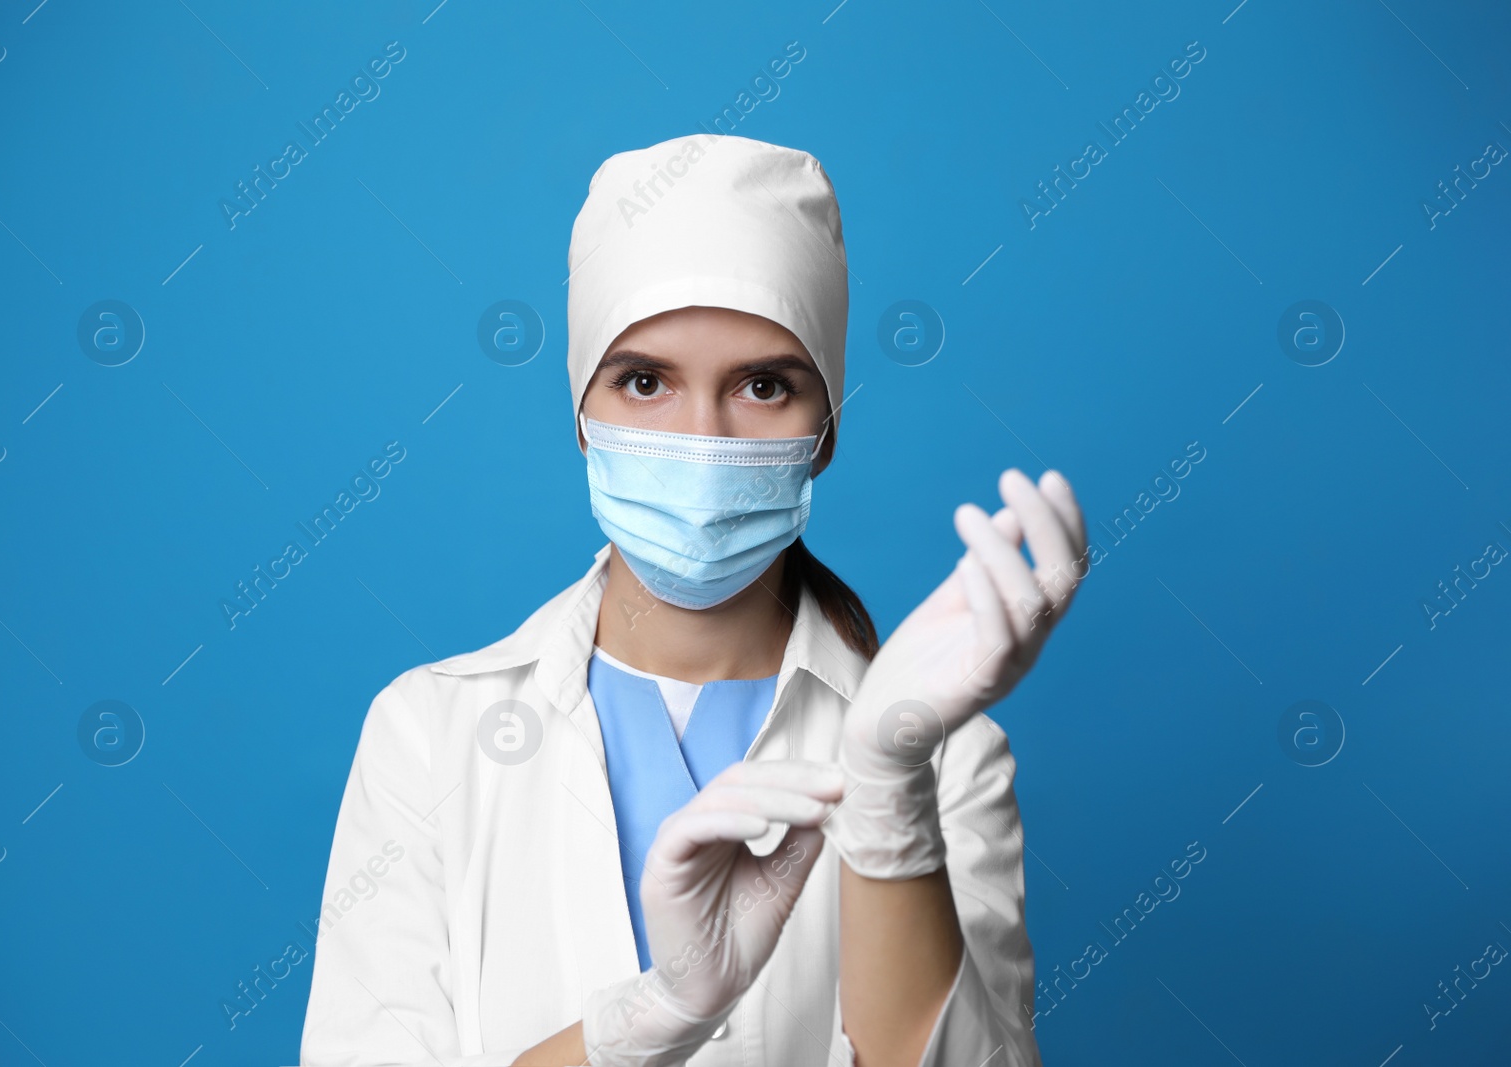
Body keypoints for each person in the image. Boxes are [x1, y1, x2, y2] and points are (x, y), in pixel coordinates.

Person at [299, 133, 1088, 1067]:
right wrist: (647, 1020)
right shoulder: (429, 733)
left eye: (764, 386)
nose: (703, 439)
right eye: (644, 382)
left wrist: (886, 796)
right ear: (583, 422)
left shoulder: (942, 758)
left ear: (825, 430)